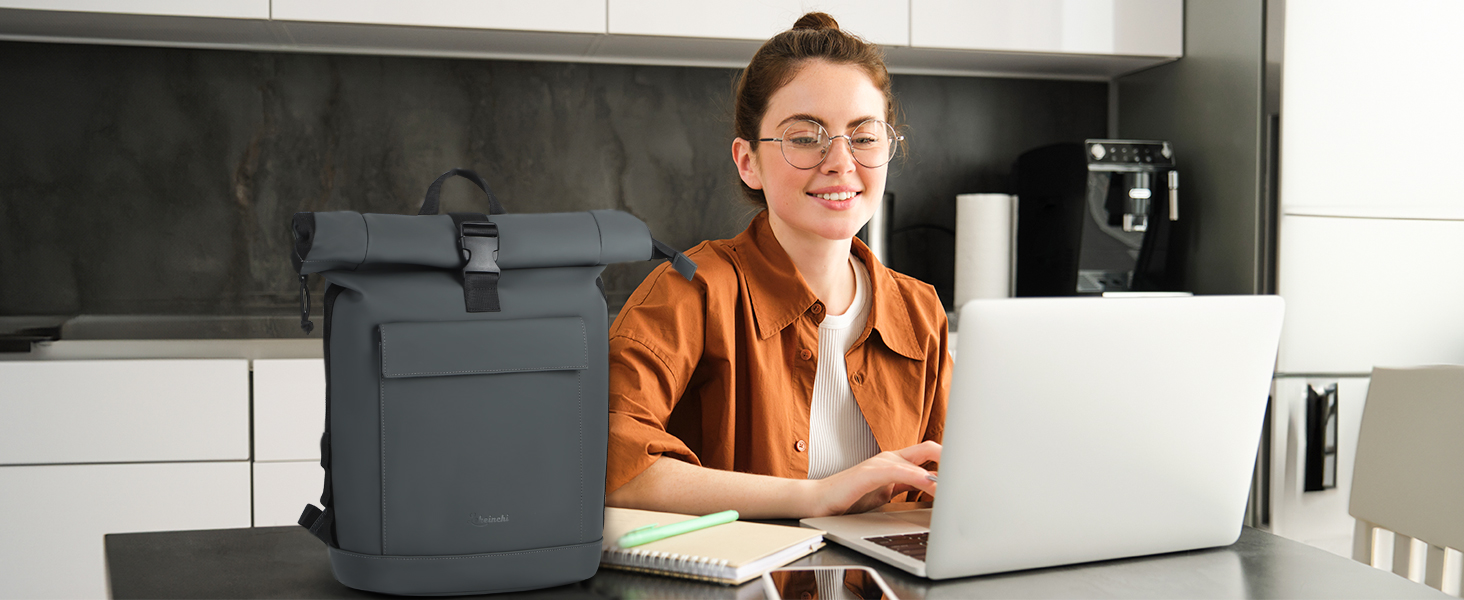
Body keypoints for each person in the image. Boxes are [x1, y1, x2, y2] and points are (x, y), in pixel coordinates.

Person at [604, 12, 951, 519]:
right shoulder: (689, 291)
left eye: (865, 135)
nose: (841, 161)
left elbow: (955, 485)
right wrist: (816, 497)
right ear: (748, 162)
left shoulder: (921, 312)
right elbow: (609, 460)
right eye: (805, 136)